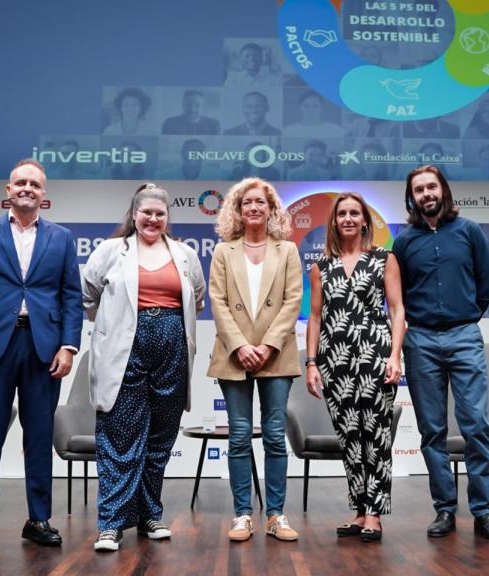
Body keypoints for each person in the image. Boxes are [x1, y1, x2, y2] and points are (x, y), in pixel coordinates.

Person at [0, 159, 83, 551]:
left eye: (35, 184)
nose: (27, 188)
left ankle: (39, 519)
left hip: (43, 347)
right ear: (7, 190)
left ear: (43, 194)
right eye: (20, 183)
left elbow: (71, 296)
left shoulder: (61, 238)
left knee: (40, 436)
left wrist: (68, 345)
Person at [82, 183, 206, 552]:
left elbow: (196, 298)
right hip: (124, 351)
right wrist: (115, 325)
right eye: (146, 212)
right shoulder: (110, 251)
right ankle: (111, 524)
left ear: (168, 218)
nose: (153, 219)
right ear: (134, 215)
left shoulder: (185, 254)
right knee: (119, 437)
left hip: (172, 352)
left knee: (160, 438)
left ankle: (151, 514)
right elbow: (89, 296)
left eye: (160, 213)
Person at [392, 165, 489, 541]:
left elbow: (486, 285)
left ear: (443, 189)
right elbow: (397, 297)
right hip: (421, 342)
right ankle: (444, 510)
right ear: (412, 198)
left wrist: (467, 318)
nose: (426, 194)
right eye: (419, 190)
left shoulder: (469, 232)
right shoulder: (404, 241)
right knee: (432, 431)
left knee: (476, 425)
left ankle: (483, 511)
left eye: (431, 186)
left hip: (463, 336)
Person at [304, 193, 405, 543]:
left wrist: (395, 356)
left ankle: (375, 514)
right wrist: (311, 362)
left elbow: (397, 311)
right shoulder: (321, 267)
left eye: (354, 213)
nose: (347, 218)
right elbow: (315, 317)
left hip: (376, 357)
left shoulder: (384, 259)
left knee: (376, 437)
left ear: (365, 221)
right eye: (341, 213)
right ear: (334, 221)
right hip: (336, 363)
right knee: (350, 438)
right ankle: (359, 511)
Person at [208, 177, 303, 543]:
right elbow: (217, 302)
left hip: (276, 355)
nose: (253, 208)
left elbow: (292, 300)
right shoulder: (223, 251)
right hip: (234, 357)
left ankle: (276, 514)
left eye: (260, 202)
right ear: (237, 208)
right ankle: (242, 515)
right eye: (247, 202)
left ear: (270, 208)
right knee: (238, 437)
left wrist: (266, 346)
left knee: (275, 437)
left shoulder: (288, 250)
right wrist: (240, 346)